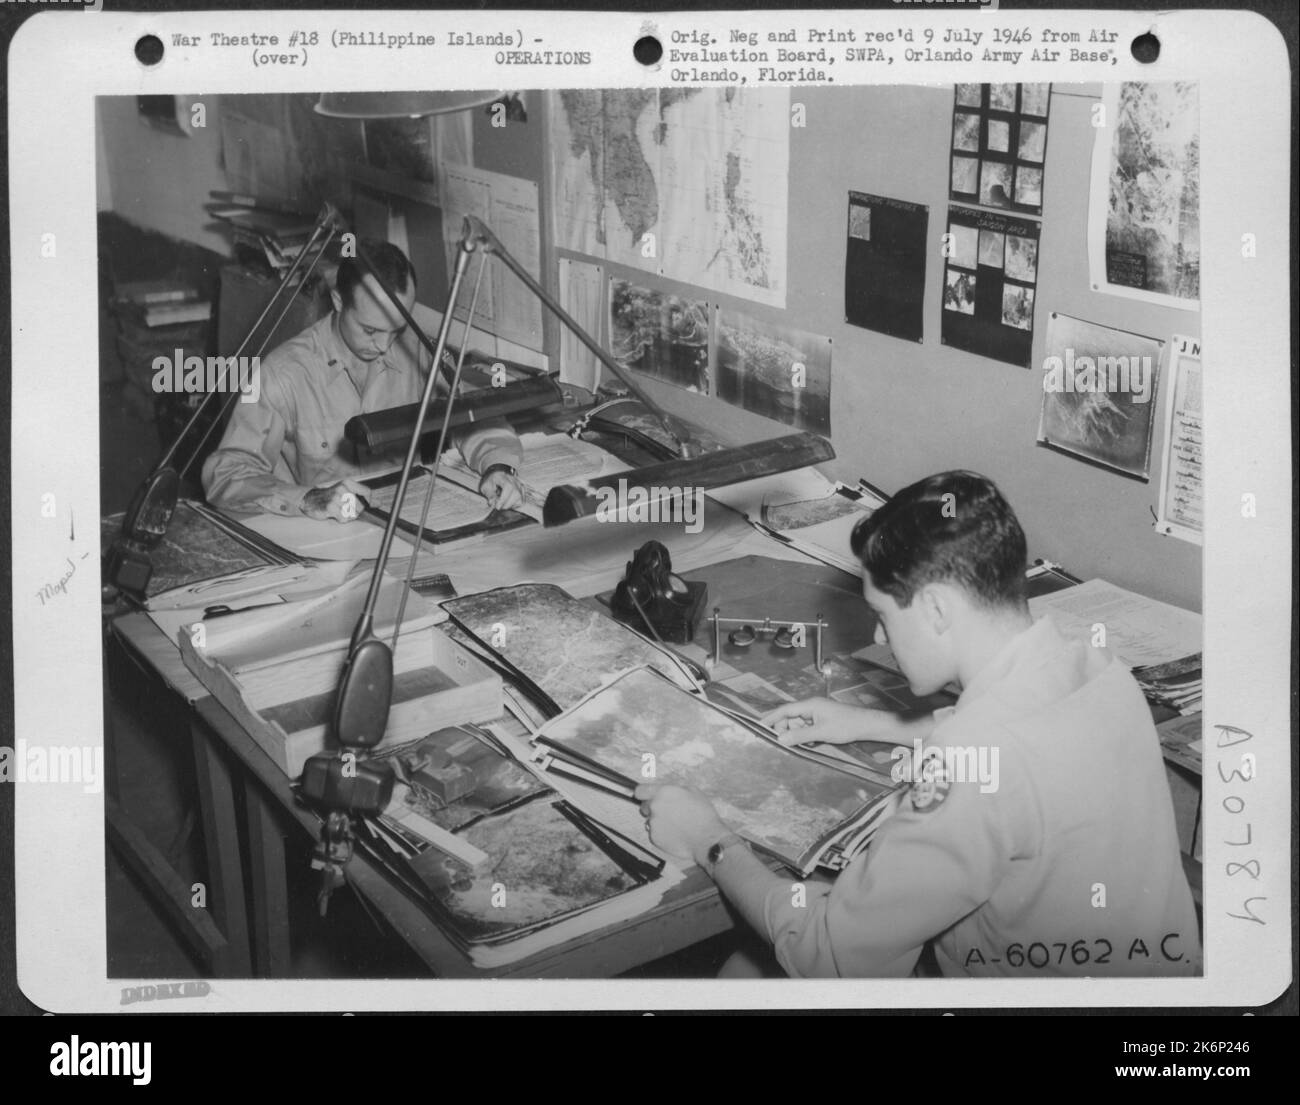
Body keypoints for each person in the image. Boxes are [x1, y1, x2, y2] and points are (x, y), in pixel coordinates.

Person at [637, 470, 1201, 978]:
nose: (880, 637)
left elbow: (831, 958)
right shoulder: (1097, 666)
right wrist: (870, 722)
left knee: (750, 965)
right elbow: (1024, 734)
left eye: (883, 615)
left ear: (934, 608)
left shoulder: (966, 764)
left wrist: (709, 838)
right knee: (747, 964)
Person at [202, 240, 524, 521]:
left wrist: (497, 466)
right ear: (339, 302)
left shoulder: (418, 350)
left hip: (404, 526)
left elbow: (474, 415)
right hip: (322, 535)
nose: (385, 346)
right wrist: (307, 499)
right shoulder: (281, 374)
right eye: (371, 330)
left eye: (395, 330)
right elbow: (227, 474)